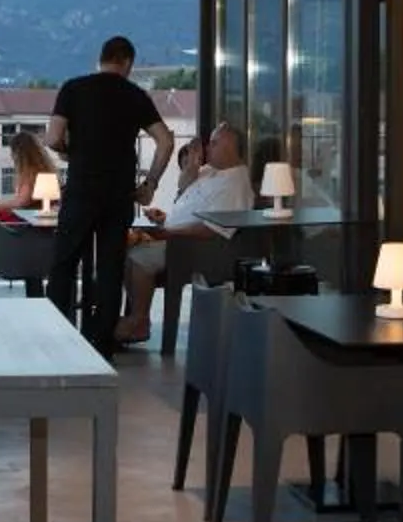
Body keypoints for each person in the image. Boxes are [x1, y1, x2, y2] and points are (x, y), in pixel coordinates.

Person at [44, 35, 172, 353]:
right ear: (127, 62)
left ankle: (59, 339)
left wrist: (71, 153)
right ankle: (102, 344)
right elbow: (165, 141)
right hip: (119, 193)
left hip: (82, 189)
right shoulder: (135, 95)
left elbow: (52, 137)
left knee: (64, 264)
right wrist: (150, 184)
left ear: (101, 59)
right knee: (111, 268)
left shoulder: (73, 88)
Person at [118, 122, 249, 342]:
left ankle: (139, 321)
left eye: (215, 143)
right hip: (175, 235)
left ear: (231, 148)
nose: (208, 147)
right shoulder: (210, 170)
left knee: (140, 258)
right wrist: (190, 170)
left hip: (194, 248)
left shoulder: (235, 182)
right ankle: (135, 318)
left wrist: (169, 233)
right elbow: (185, 192)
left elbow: (210, 230)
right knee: (124, 251)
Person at [0, 129, 60, 218]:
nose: (11, 155)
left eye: (12, 151)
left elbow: (21, 202)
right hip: (34, 216)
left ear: (19, 153)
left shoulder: (31, 172)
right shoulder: (44, 169)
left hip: (29, 218)